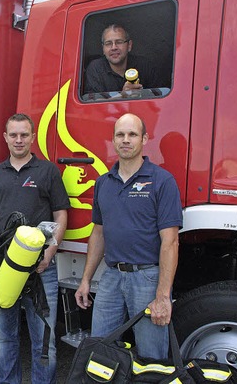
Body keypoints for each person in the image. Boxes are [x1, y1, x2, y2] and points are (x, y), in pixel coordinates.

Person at [74, 113, 183, 359]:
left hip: (147, 279)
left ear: (144, 139)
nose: (126, 140)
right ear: (113, 140)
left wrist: (163, 296)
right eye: (120, 135)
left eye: (132, 134)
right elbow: (99, 233)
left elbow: (171, 241)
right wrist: (86, 279)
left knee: (151, 356)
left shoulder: (161, 181)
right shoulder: (104, 182)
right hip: (111, 277)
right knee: (99, 350)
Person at [0, 113, 70, 384]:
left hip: (41, 270)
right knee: (5, 338)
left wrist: (49, 254)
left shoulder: (48, 171)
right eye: (13, 135)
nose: (19, 140)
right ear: (5, 138)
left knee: (44, 340)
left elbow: (61, 216)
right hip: (2, 269)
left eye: (24, 135)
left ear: (32, 137)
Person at [84, 24, 162, 95]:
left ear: (129, 45)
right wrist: (123, 96)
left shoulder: (145, 65)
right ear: (103, 48)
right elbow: (94, 107)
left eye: (119, 42)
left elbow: (160, 96)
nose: (114, 47)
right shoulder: (95, 69)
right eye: (108, 43)